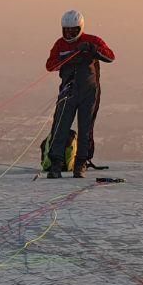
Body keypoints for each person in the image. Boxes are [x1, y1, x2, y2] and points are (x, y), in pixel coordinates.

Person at [44, 10, 115, 179]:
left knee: (85, 128)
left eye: (73, 30)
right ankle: (56, 164)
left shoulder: (92, 40)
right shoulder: (60, 44)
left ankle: (81, 163)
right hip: (67, 91)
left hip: (89, 92)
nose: (69, 33)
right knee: (60, 127)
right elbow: (50, 65)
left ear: (80, 28)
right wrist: (69, 57)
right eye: (66, 30)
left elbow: (110, 57)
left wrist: (93, 49)